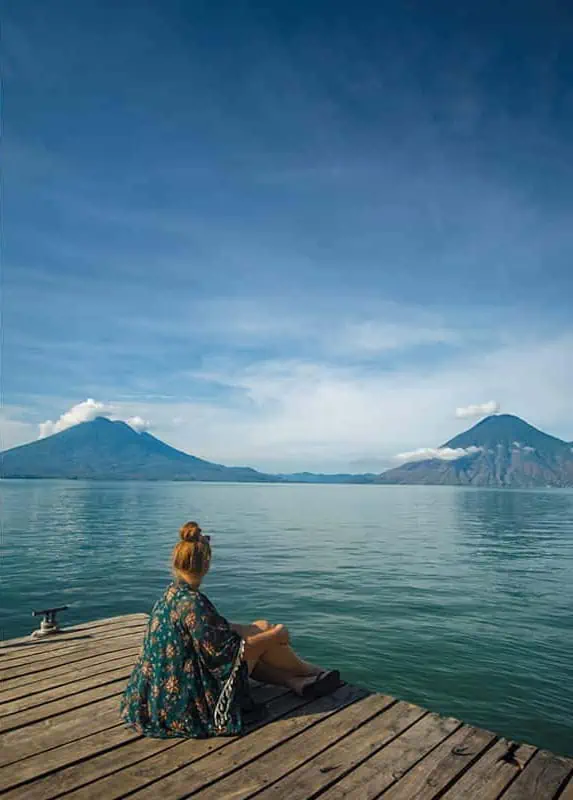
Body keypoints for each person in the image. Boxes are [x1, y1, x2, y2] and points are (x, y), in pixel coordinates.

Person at [120, 521, 341, 739]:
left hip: (156, 696)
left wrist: (255, 629)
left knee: (259, 628)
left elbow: (212, 629)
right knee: (258, 644)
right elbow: (231, 656)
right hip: (184, 706)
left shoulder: (172, 593)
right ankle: (311, 671)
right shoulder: (194, 603)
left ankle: (296, 682)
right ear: (207, 564)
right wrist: (276, 635)